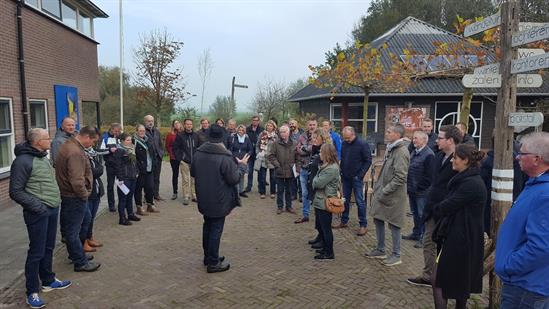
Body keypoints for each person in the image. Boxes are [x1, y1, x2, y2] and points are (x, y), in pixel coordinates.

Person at [9, 128, 72, 309]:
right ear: (37, 142)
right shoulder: (22, 161)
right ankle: (32, 292)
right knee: (36, 251)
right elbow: (15, 191)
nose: (50, 140)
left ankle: (48, 280)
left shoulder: (42, 156)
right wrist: (38, 207)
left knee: (49, 247)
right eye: (46, 138)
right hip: (38, 212)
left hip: (52, 209)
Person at [496, 132, 549, 308]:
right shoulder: (535, 185)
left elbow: (541, 246)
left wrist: (509, 265)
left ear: (536, 159)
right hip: (524, 283)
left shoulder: (544, 194)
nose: (517, 156)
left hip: (527, 287)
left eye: (522, 153)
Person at [431, 144, 486, 309]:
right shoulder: (466, 179)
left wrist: (436, 207)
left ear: (466, 160)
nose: (452, 161)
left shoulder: (470, 184)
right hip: (459, 236)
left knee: (438, 280)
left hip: (462, 240)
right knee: (460, 282)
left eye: (455, 158)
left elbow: (446, 206)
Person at [407, 125, 462, 287]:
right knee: (429, 241)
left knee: (446, 246)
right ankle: (428, 275)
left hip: (449, 212)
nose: (436, 140)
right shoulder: (438, 157)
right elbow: (434, 183)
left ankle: (446, 277)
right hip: (433, 208)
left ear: (450, 141)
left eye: (440, 138)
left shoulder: (460, 160)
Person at [191, 124, 249, 273]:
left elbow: (193, 172)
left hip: (203, 197)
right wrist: (242, 166)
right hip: (219, 199)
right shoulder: (225, 156)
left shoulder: (198, 153)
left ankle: (209, 256)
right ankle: (213, 262)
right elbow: (234, 179)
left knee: (208, 226)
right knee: (216, 229)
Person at [55, 126, 101, 272]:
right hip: (74, 197)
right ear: (87, 137)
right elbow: (76, 179)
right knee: (73, 230)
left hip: (72, 196)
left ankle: (77, 253)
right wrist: (84, 195)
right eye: (93, 141)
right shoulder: (75, 151)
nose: (92, 145)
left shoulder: (71, 145)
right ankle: (79, 262)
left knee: (85, 221)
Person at [367, 124, 410, 266]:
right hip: (384, 193)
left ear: (397, 135)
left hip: (393, 196)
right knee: (378, 218)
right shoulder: (391, 149)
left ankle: (396, 255)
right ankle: (380, 249)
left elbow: (400, 177)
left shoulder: (401, 152)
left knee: (394, 223)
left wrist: (385, 190)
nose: (386, 133)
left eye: (389, 132)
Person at [334, 126, 372, 236]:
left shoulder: (362, 144)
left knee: (360, 201)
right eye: (344, 138)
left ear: (353, 134)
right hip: (346, 177)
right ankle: (344, 221)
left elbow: (368, 160)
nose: (346, 141)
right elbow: (344, 157)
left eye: (348, 138)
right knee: (344, 199)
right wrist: (341, 171)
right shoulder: (345, 144)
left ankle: (363, 225)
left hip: (356, 178)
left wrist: (360, 175)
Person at [403, 130, 435, 248]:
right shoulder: (414, 152)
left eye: (416, 138)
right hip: (412, 190)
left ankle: (424, 238)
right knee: (415, 214)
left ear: (424, 140)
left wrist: (419, 187)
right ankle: (416, 233)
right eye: (413, 138)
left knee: (423, 215)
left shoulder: (429, 155)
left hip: (422, 192)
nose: (414, 140)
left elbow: (430, 177)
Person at [310, 143, 340, 260]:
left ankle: (329, 252)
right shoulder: (327, 166)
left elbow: (317, 183)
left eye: (321, 152)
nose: (320, 154)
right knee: (322, 227)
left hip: (325, 201)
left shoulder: (331, 168)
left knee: (326, 228)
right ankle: (325, 248)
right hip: (320, 200)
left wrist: (314, 180)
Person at [268, 125, 298, 214]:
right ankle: (280, 207)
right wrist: (277, 165)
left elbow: (298, 157)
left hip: (290, 170)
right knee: (280, 190)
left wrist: (297, 168)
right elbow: (271, 156)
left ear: (288, 133)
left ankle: (289, 206)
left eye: (284, 132)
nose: (282, 134)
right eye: (281, 132)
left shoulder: (294, 143)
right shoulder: (276, 143)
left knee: (289, 190)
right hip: (279, 170)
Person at [83, 133, 105, 251]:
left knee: (92, 217)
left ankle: (90, 237)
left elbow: (100, 168)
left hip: (96, 189)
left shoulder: (92, 153)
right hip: (88, 191)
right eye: (92, 141)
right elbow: (91, 172)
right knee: (86, 218)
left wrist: (97, 170)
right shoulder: (82, 155)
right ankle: (84, 241)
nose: (94, 143)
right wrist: (97, 171)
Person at [306, 129, 328, 246]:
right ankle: (320, 236)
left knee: (321, 215)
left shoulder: (324, 151)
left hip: (320, 187)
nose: (313, 140)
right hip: (312, 185)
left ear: (322, 139)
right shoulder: (315, 149)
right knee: (317, 214)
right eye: (312, 138)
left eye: (316, 138)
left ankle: (324, 239)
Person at [113, 133, 141, 225]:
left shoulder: (132, 149)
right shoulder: (119, 151)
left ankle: (130, 214)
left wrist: (137, 171)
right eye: (127, 140)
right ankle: (122, 218)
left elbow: (134, 162)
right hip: (124, 178)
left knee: (130, 197)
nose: (129, 142)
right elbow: (117, 166)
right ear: (122, 141)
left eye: (130, 140)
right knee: (123, 199)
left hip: (133, 176)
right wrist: (120, 178)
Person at [296, 118, 318, 221]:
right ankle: (305, 214)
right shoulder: (302, 136)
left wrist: (305, 148)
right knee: (304, 193)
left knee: (316, 193)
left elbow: (314, 148)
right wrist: (307, 148)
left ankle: (319, 214)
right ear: (307, 125)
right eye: (310, 125)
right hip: (304, 168)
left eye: (314, 125)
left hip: (316, 170)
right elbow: (298, 150)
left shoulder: (320, 136)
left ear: (316, 125)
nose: (312, 127)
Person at [173, 118, 198, 206]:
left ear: (192, 125)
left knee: (194, 179)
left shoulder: (195, 135)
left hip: (194, 161)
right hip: (184, 161)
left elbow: (199, 147)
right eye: (187, 124)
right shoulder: (180, 136)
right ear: (184, 125)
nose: (189, 125)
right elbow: (175, 148)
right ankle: (186, 196)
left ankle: (194, 195)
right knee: (185, 179)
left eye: (190, 124)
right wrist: (180, 158)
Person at [134, 124, 158, 214]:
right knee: (138, 189)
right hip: (140, 170)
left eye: (143, 131)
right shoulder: (134, 141)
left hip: (149, 168)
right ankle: (139, 207)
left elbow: (152, 153)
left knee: (150, 187)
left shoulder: (148, 140)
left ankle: (150, 205)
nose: (142, 132)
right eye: (140, 131)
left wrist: (154, 164)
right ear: (136, 131)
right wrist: (137, 168)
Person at [100, 123, 121, 212]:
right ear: (111, 129)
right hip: (110, 165)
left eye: (118, 131)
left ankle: (122, 202)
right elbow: (99, 151)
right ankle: (111, 205)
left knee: (121, 184)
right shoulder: (104, 138)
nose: (117, 133)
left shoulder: (119, 137)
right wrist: (109, 150)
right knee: (110, 185)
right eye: (116, 131)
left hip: (119, 165)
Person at [255, 120, 278, 200]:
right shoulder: (262, 134)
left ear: (274, 127)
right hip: (263, 157)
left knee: (273, 177)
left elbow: (278, 147)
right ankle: (262, 192)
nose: (269, 127)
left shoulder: (276, 136)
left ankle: (272, 192)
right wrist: (258, 153)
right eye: (268, 125)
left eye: (271, 126)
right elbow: (257, 145)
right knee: (262, 176)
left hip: (272, 158)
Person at [144, 115, 164, 201]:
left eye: (152, 120)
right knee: (148, 179)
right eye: (148, 121)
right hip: (148, 159)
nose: (150, 122)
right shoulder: (143, 131)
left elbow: (160, 144)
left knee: (157, 177)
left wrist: (161, 153)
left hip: (157, 158)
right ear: (145, 122)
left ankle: (156, 194)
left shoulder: (157, 131)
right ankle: (148, 196)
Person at [229, 125, 253, 198]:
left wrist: (246, 158)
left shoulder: (246, 139)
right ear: (237, 130)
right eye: (239, 130)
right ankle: (235, 191)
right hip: (235, 159)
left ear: (244, 131)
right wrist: (236, 158)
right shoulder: (233, 138)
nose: (241, 131)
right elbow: (230, 149)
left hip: (244, 160)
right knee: (235, 175)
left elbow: (250, 149)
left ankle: (241, 190)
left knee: (242, 176)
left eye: (242, 130)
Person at [245, 115, 264, 193]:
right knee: (250, 171)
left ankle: (260, 187)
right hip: (250, 153)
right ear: (252, 121)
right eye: (253, 120)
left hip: (258, 153)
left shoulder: (262, 130)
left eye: (256, 120)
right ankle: (249, 186)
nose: (255, 122)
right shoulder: (247, 129)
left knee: (259, 172)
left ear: (258, 121)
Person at [166, 120, 182, 200]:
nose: (177, 124)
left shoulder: (183, 133)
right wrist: (172, 154)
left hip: (183, 157)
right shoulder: (170, 135)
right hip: (174, 158)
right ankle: (175, 192)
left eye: (178, 123)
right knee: (175, 175)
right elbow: (168, 146)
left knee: (186, 175)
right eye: (175, 123)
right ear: (173, 125)